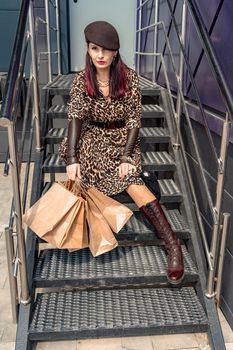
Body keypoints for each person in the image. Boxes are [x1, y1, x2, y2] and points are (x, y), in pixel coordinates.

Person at [58, 20, 184, 285]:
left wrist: (127, 156)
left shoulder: (130, 78)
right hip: (92, 137)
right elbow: (75, 117)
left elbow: (134, 121)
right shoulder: (82, 80)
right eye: (95, 49)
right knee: (86, 174)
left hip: (123, 140)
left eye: (106, 50)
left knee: (131, 179)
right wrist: (71, 158)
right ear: (88, 50)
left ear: (116, 51)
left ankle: (173, 245)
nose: (100, 55)